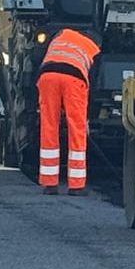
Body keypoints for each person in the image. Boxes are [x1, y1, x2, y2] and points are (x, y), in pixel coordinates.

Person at [36, 28, 101, 196]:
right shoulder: (93, 49)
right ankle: (76, 186)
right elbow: (92, 84)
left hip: (47, 76)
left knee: (49, 127)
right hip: (74, 79)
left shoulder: (63, 35)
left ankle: (50, 184)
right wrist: (88, 117)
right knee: (77, 131)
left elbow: (40, 57)